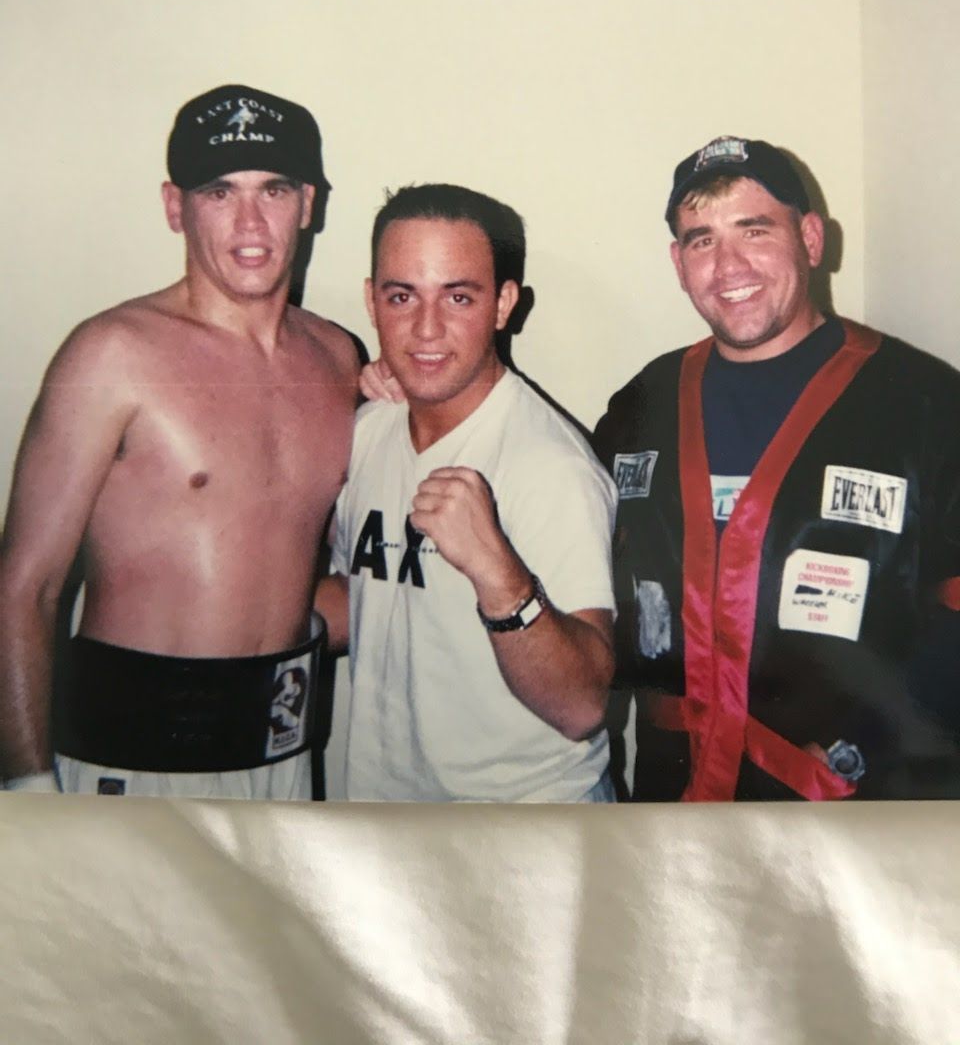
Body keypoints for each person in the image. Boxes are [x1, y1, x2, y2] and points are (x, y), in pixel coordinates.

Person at [0, 84, 358, 799]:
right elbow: (22, 590)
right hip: (131, 765)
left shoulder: (340, 360)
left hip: (283, 761)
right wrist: (28, 796)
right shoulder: (111, 354)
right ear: (175, 206)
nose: (251, 222)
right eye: (220, 192)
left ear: (309, 204)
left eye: (275, 190)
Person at [593, 135, 960, 801]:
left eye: (754, 230)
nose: (728, 265)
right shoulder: (641, 404)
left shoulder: (929, 407)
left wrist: (859, 748)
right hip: (671, 805)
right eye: (701, 240)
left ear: (812, 239)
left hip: (858, 812)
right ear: (678, 263)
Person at [315, 184, 617, 801]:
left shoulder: (550, 466)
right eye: (402, 295)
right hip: (385, 819)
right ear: (372, 301)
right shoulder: (368, 433)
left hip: (522, 838)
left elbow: (581, 706)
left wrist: (497, 572)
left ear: (504, 303)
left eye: (458, 296)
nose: (426, 329)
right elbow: (369, 600)